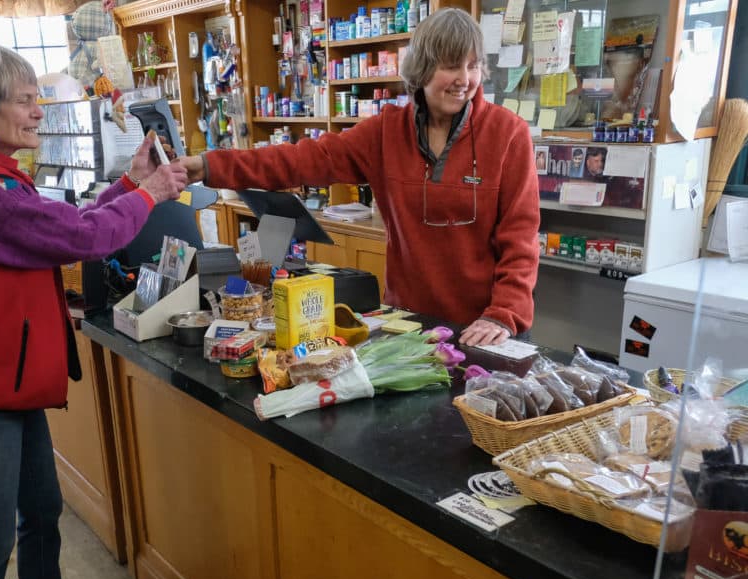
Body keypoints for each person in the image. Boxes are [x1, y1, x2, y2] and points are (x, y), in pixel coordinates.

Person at [0, 45, 187, 579]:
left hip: (12, 383)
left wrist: (128, 183)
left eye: (36, 98)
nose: (38, 112)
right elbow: (79, 237)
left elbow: (59, 223)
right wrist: (149, 193)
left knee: (40, 513)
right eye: (24, 100)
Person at [180, 8, 539, 346]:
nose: (465, 80)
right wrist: (209, 166)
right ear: (423, 69)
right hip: (408, 324)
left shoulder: (509, 134)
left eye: (473, 66)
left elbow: (520, 240)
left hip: (483, 329)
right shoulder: (385, 133)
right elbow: (299, 160)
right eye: (451, 66)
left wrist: (503, 315)